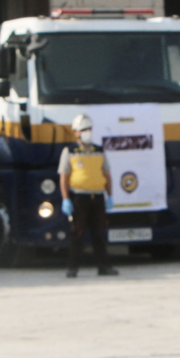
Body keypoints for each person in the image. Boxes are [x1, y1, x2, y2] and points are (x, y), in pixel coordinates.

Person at [58, 114, 117, 278]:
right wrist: (65, 199)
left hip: (97, 197)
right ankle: (72, 268)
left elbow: (107, 174)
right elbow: (64, 177)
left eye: (89, 129)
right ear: (76, 132)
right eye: (84, 129)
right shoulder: (69, 151)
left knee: (99, 233)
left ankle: (104, 267)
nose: (87, 132)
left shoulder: (99, 150)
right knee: (77, 233)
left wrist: (110, 195)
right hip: (79, 198)